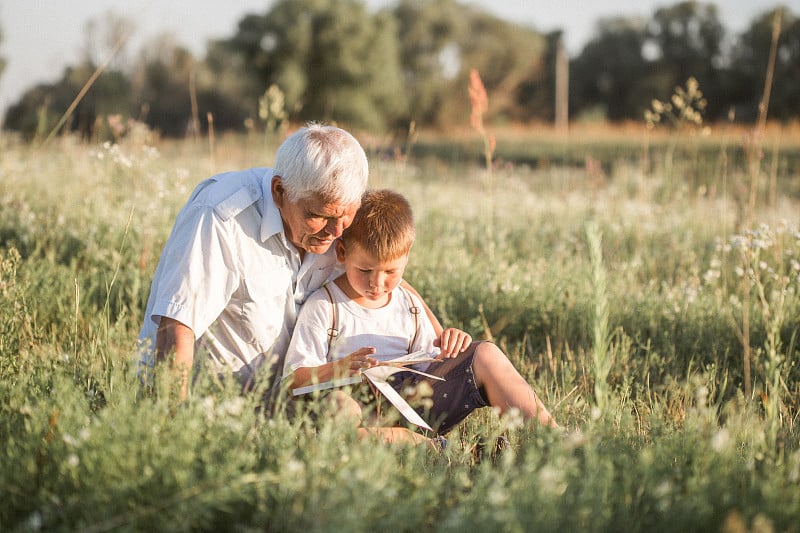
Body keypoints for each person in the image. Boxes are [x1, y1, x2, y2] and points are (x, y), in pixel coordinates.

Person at [283, 189, 558, 442]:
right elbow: (292, 380)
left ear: (406, 259)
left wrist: (452, 343)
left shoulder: (409, 303)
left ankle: (551, 437)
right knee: (340, 408)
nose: (377, 283)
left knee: (485, 353)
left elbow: (432, 364)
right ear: (342, 253)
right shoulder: (325, 305)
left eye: (391, 272)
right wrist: (340, 368)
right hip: (362, 413)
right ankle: (438, 452)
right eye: (365, 270)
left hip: (414, 403)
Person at [138, 124, 370, 402]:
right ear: (279, 191)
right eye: (319, 216)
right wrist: (169, 425)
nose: (335, 232)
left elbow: (385, 274)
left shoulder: (339, 217)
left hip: (284, 411)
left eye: (346, 217)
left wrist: (433, 330)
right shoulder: (222, 216)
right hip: (211, 408)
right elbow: (176, 326)